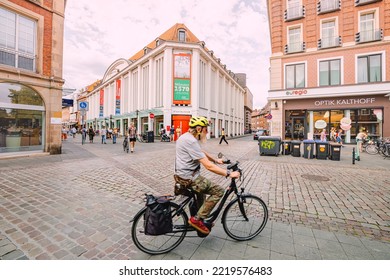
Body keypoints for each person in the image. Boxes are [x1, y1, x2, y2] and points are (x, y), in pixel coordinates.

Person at [174, 116, 240, 235]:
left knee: (202, 195)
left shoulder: (185, 137)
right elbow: (208, 166)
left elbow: (201, 152)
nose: (207, 131)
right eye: (205, 129)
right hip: (190, 178)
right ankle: (196, 220)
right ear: (199, 129)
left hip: (181, 175)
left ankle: (201, 219)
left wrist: (215, 160)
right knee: (219, 191)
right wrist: (229, 173)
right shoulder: (191, 141)